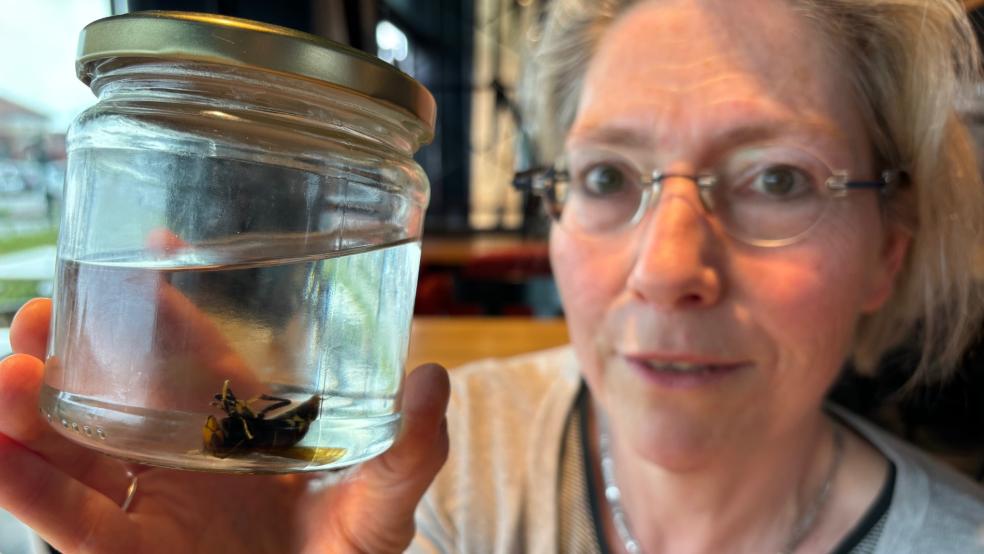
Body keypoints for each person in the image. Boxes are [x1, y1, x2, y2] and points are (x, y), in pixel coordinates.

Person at [3, 0, 984, 552]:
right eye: (605, 175)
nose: (668, 268)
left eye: (778, 179)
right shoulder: (409, 482)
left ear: (888, 251)